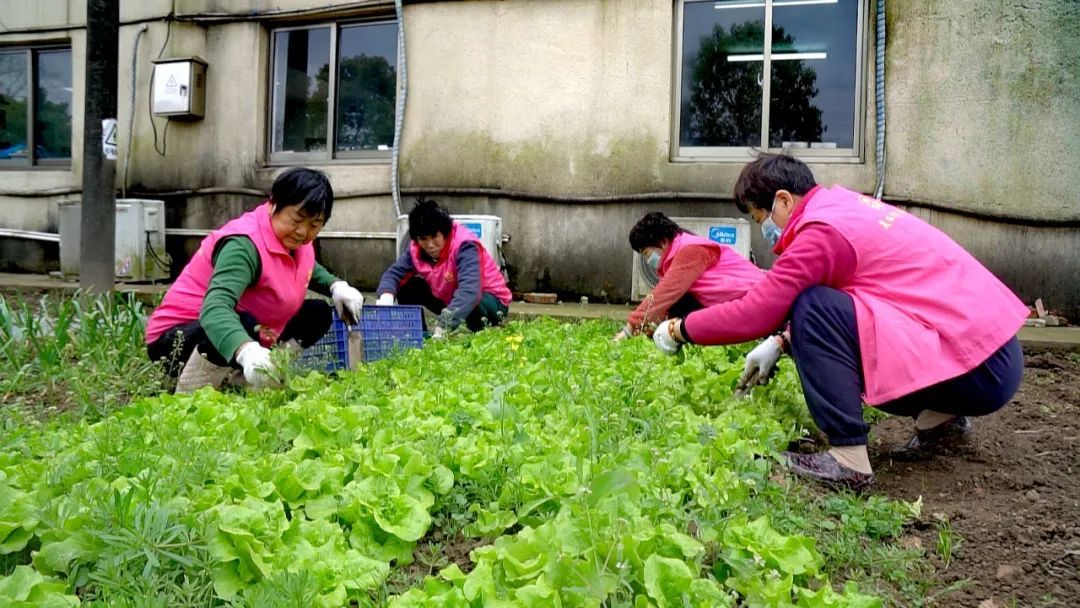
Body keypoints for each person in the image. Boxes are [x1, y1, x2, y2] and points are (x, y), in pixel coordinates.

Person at [652, 154, 1027, 491]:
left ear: (783, 200)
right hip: (993, 354)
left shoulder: (820, 232)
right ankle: (941, 422)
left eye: (760, 217)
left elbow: (757, 312)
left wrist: (678, 329)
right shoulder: (844, 207)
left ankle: (848, 461)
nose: (765, 230)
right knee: (819, 311)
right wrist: (782, 342)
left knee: (810, 306)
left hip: (977, 368)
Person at [145, 168, 365, 392]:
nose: (302, 231)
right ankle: (192, 396)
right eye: (297, 219)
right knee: (244, 323)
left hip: (250, 327)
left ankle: (263, 374)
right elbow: (215, 309)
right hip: (176, 338)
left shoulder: (293, 242)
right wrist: (246, 350)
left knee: (317, 313)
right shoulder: (243, 245)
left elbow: (305, 266)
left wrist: (335, 285)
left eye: (314, 224)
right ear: (273, 205)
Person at [615, 212, 764, 340]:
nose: (648, 260)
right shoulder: (680, 251)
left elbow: (664, 294)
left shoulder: (689, 250)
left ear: (663, 242)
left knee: (677, 306)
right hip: (741, 303)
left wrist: (629, 329)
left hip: (753, 301)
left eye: (647, 253)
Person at [376, 198, 511, 334]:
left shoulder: (465, 245)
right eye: (423, 239)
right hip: (452, 297)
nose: (430, 245)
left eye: (435, 237)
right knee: (407, 287)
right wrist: (386, 296)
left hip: (490, 301)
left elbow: (470, 291)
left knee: (471, 301)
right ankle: (417, 335)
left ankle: (477, 335)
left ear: (445, 233)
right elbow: (394, 274)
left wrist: (443, 326)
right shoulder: (415, 250)